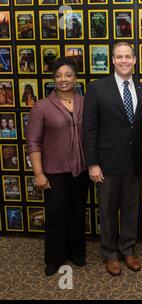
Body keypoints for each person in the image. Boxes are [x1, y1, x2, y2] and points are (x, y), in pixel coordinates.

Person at [83, 42, 142, 276]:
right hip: (106, 163)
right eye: (119, 57)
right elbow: (89, 128)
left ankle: (128, 249)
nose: (124, 61)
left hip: (134, 162)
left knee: (131, 208)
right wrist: (92, 162)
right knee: (108, 210)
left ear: (135, 60)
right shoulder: (97, 88)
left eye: (128, 57)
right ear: (112, 60)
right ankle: (110, 253)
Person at [26, 57, 90, 276]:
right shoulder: (41, 107)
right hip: (53, 172)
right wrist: (38, 173)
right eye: (59, 75)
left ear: (76, 78)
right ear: (54, 78)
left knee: (77, 212)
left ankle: (76, 252)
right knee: (55, 214)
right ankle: (54, 258)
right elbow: (33, 142)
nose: (64, 79)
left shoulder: (85, 102)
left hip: (81, 170)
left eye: (68, 75)